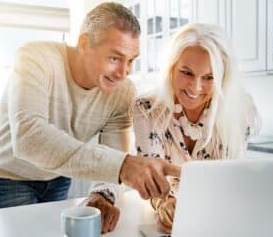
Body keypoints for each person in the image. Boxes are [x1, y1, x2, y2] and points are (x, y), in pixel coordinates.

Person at [0, 2, 180, 212]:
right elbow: (28, 138)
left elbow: (114, 152)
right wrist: (123, 165)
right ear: (85, 44)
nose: (123, 73)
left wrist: (103, 195)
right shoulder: (35, 58)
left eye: (131, 60)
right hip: (11, 174)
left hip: (58, 173)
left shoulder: (123, 92)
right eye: (115, 58)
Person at [89, 22, 261, 234]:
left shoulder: (240, 110)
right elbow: (152, 178)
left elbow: (232, 180)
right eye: (186, 73)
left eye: (209, 77)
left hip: (219, 217)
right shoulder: (147, 109)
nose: (195, 87)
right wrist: (164, 204)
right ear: (171, 68)